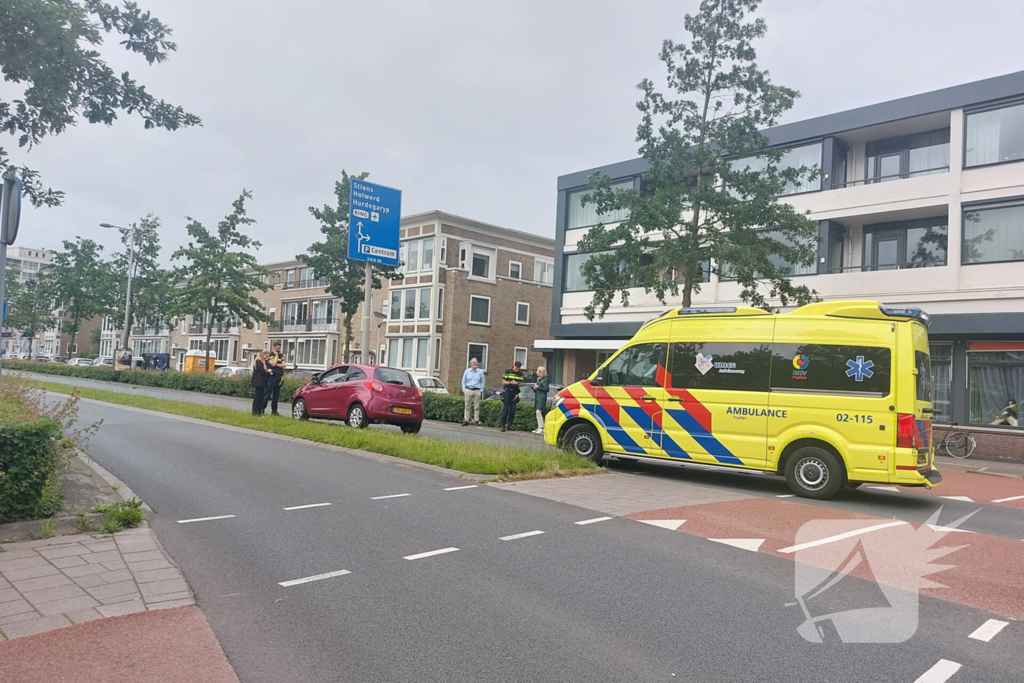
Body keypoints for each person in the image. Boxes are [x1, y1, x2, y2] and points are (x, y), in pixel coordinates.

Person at [499, 360, 525, 432]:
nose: (517, 370)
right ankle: (503, 425)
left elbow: (522, 383)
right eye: (516, 368)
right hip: (508, 391)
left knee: (512, 410)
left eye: (518, 369)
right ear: (513, 366)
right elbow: (503, 381)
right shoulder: (508, 372)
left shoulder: (520, 373)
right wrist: (510, 382)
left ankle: (510, 424)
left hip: (515, 393)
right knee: (505, 409)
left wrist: (518, 384)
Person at [263, 342, 286, 416]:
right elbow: (272, 363)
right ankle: (262, 409)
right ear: (274, 348)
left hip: (278, 376)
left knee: (276, 394)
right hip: (271, 377)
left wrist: (276, 364)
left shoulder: (280, 355)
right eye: (277, 348)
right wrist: (276, 357)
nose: (279, 350)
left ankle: (274, 411)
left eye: (279, 348)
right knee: (268, 393)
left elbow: (284, 365)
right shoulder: (269, 355)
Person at [461, 357, 485, 426]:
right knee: (467, 406)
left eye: (476, 362)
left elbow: (483, 382)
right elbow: (463, 381)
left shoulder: (480, 372)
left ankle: (476, 420)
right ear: (471, 364)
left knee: (477, 406)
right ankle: (466, 420)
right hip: (468, 390)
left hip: (477, 390)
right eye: (474, 362)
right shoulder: (467, 371)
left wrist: (481, 390)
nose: (475, 364)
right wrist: (464, 390)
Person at [251, 350, 271, 416]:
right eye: (266, 355)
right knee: (258, 397)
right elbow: (262, 371)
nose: (266, 357)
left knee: (260, 397)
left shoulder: (263, 362)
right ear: (263, 355)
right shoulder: (258, 361)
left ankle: (258, 411)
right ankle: (255, 412)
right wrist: (267, 371)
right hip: (258, 381)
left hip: (261, 381)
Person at [532, 366, 549, 434]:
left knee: (538, 412)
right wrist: (535, 388)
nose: (536, 372)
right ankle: (539, 427)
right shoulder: (539, 379)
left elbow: (546, 389)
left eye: (538, 371)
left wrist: (538, 387)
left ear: (541, 372)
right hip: (538, 397)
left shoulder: (545, 380)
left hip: (541, 398)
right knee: (537, 412)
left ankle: (541, 427)